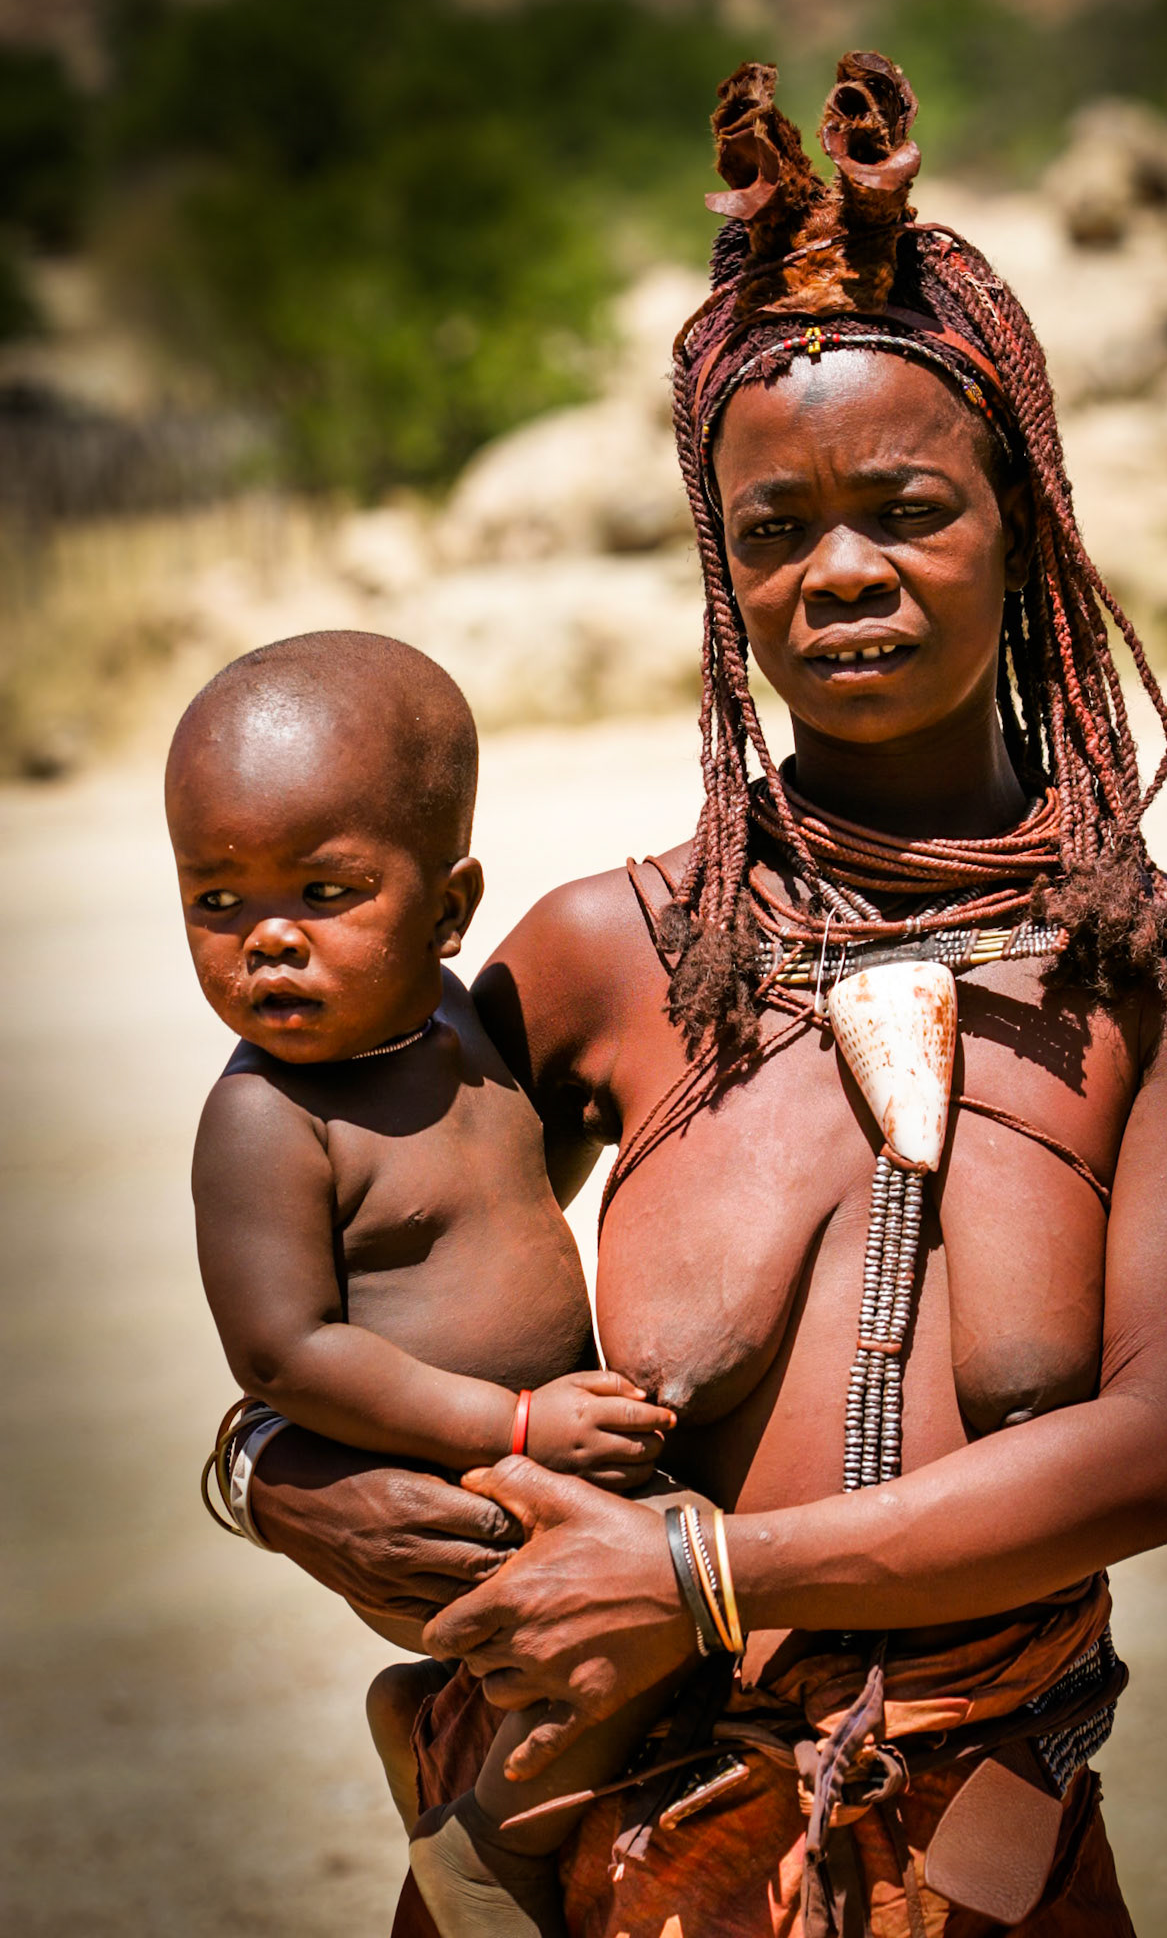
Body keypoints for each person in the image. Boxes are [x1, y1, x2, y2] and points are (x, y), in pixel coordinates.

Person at [227, 55, 1167, 1935]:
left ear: (1022, 524)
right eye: (775, 530)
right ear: (721, 581)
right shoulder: (606, 954)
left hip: (970, 1857)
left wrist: (704, 1572)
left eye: (906, 509)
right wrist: (278, 1473)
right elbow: (347, 1245)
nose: (841, 572)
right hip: (585, 1856)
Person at [169, 630, 679, 1934]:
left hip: (544, 1444)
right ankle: (483, 1844)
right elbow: (283, 1356)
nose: (267, 943)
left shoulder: (461, 1023)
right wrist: (512, 1426)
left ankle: (425, 1726)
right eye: (217, 902)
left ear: (449, 911)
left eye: (323, 894)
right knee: (622, 1636)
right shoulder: (271, 1123)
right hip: (455, 1477)